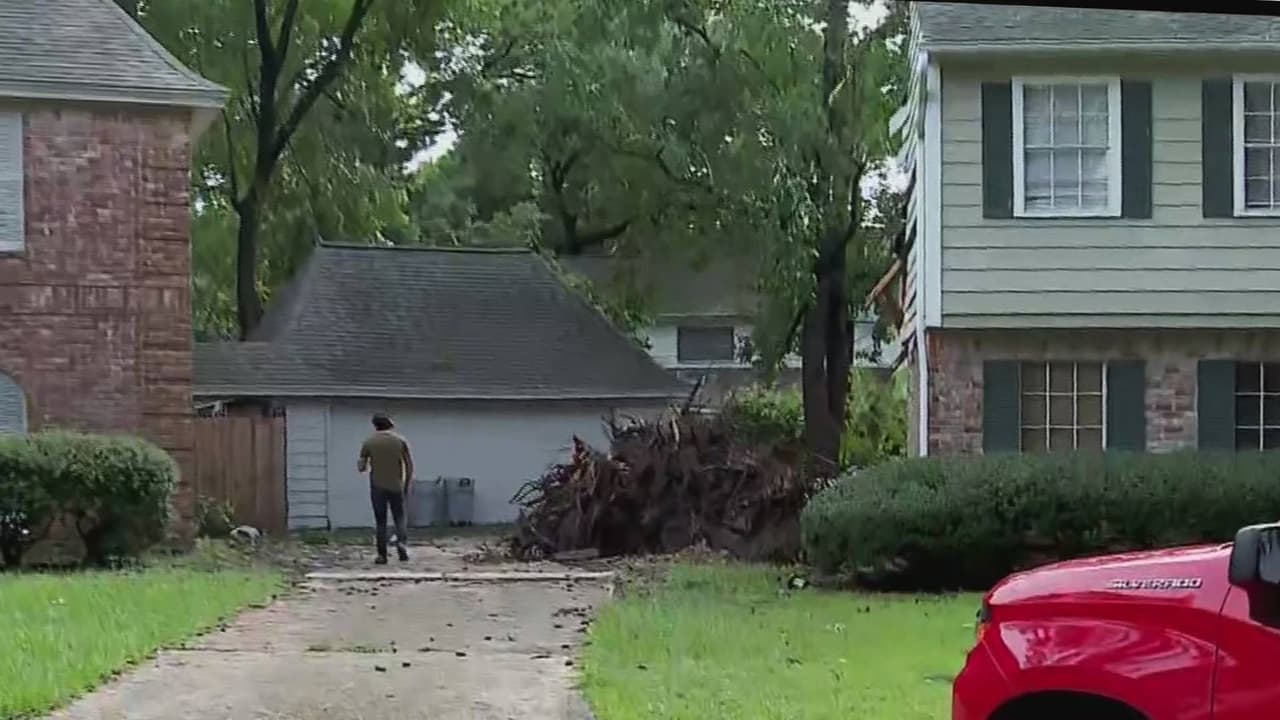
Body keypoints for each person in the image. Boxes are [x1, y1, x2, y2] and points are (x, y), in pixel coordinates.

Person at [357, 413, 414, 564]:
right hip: (396, 485)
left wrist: (366, 463)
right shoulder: (400, 441)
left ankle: (382, 555)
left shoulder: (369, 442)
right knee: (399, 518)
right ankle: (402, 546)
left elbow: (361, 467)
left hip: (377, 486)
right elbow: (409, 464)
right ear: (390, 424)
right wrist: (407, 482)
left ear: (375, 425)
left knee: (380, 521)